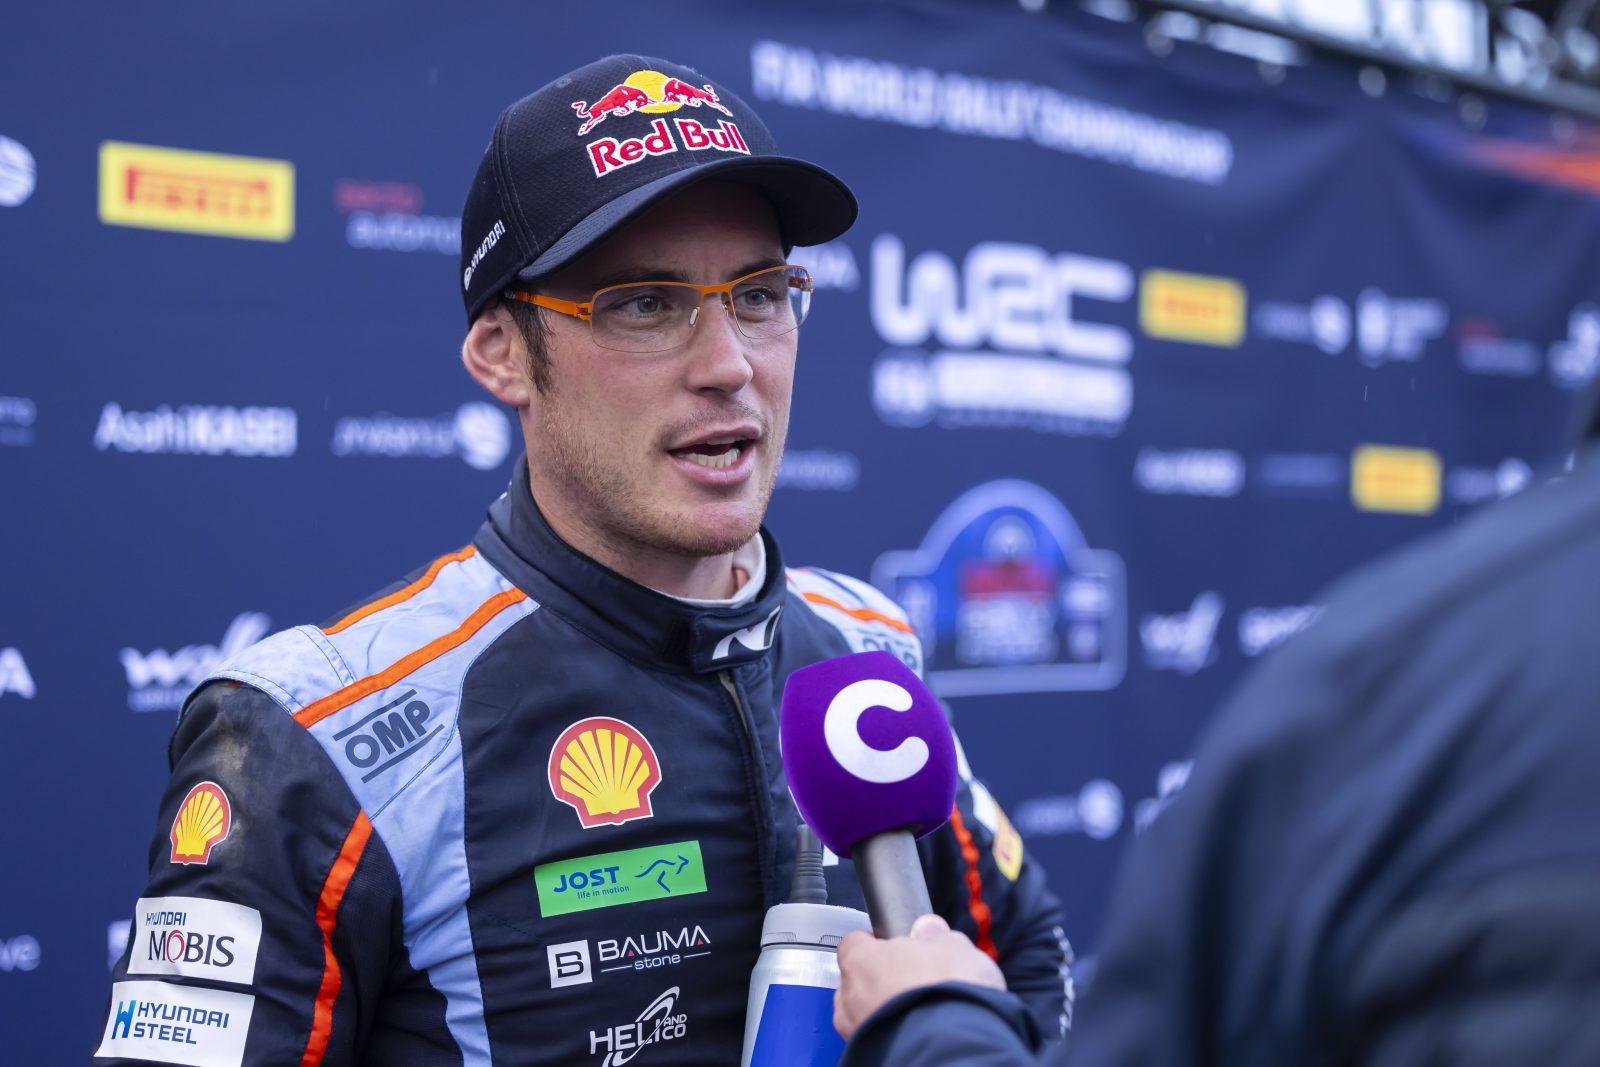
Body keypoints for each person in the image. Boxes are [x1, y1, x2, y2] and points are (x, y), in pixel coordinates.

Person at [91, 55, 1070, 1067]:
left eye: (759, 293)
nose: (730, 363)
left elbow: (1030, 962)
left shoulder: (867, 649)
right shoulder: (320, 735)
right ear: (502, 352)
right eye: (644, 303)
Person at [835, 396, 1600, 1066]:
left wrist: (926, 1021)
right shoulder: (1392, 681)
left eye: (776, 298)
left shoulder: (1387, 686)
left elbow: (1031, 941)